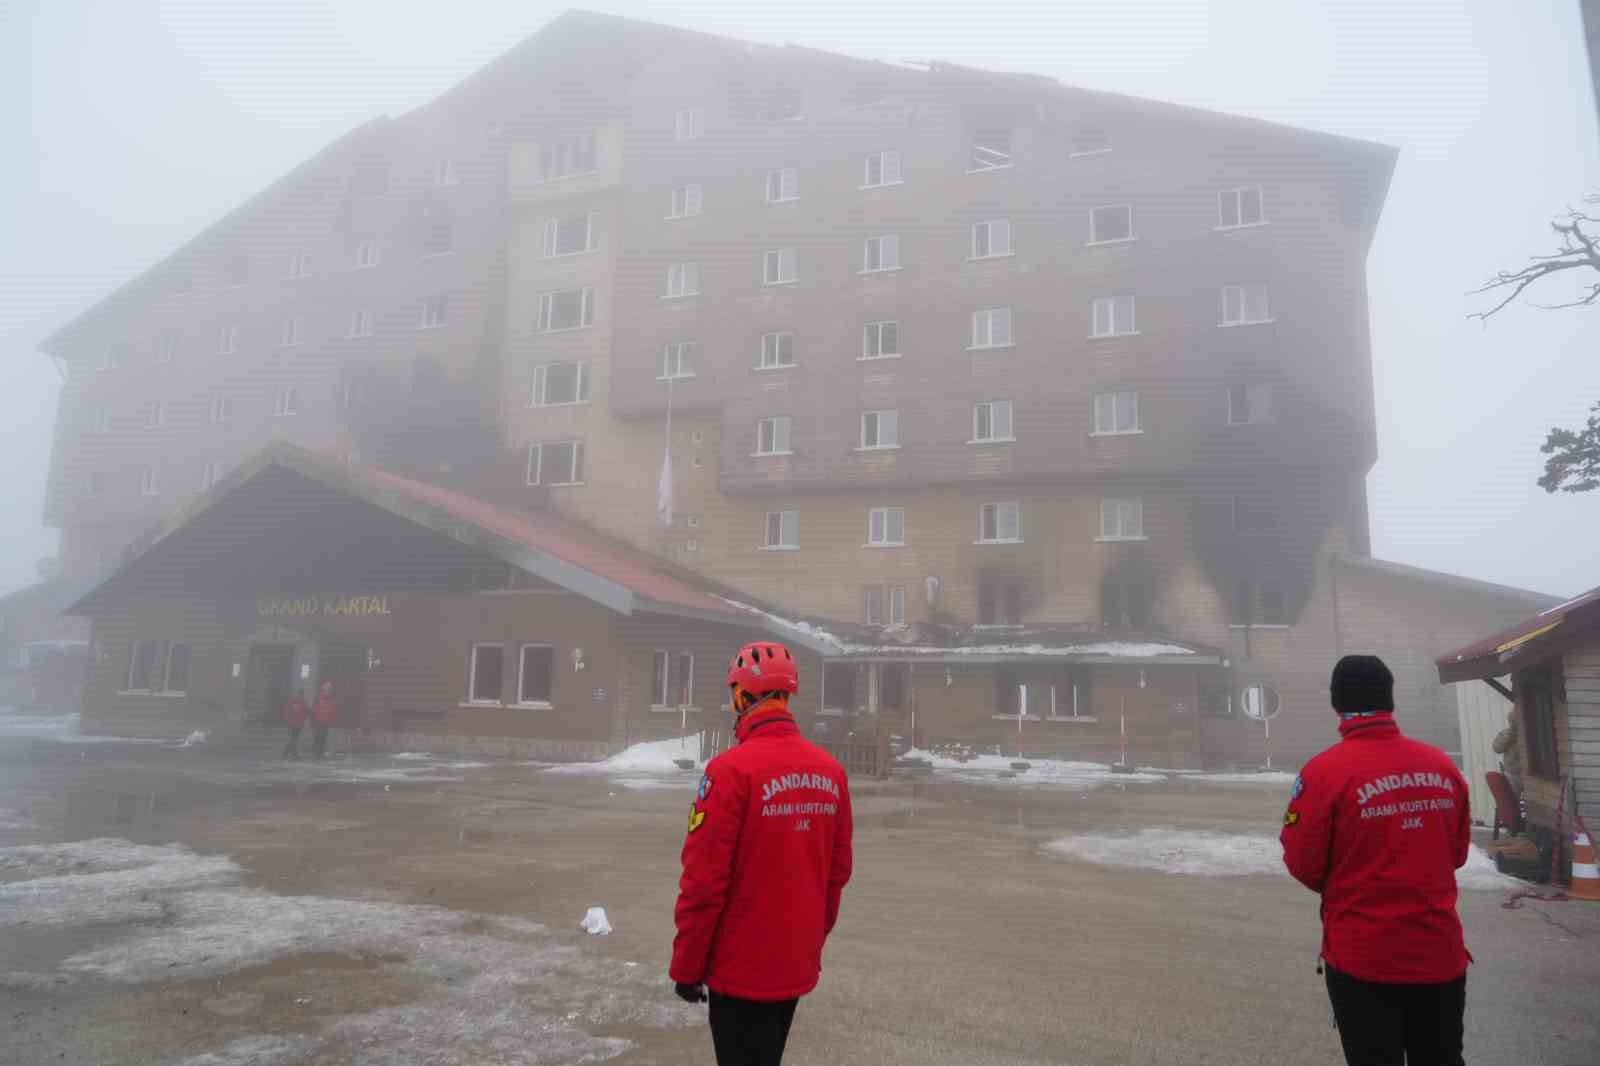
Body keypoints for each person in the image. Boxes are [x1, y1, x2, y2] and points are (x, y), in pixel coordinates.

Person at [1281, 654, 1472, 1066]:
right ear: (1390, 700)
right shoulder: (1442, 766)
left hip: (1362, 961)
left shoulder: (1323, 773)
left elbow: (1303, 862)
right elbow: (1455, 854)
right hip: (1440, 955)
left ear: (1336, 703)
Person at [670, 640, 854, 1066]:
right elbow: (837, 872)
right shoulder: (830, 772)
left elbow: (703, 883)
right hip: (793, 966)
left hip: (737, 971)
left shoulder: (729, 773)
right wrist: (808, 943)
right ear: (787, 694)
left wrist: (687, 966)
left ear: (740, 695)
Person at [1491, 706, 1524, 796]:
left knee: (1528, 803)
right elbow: (1496, 748)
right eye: (1512, 721)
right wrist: (1509, 736)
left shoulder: (1526, 733)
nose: (1513, 724)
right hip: (1511, 774)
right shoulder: (1505, 733)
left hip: (1526, 775)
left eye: (1515, 722)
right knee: (1512, 802)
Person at [310, 680, 336, 758]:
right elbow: (314, 711)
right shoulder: (318, 699)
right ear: (324, 690)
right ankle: (316, 753)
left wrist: (331, 720)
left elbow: (332, 712)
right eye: (328, 690)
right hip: (318, 722)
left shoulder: (331, 700)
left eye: (330, 690)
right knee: (318, 738)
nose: (329, 692)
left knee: (323, 739)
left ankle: (320, 753)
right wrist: (313, 722)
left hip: (326, 723)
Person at [282, 689, 310, 759]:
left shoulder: (303, 702)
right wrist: (288, 720)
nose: (300, 696)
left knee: (294, 739)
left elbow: (306, 711)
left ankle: (290, 753)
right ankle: (289, 753)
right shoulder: (293, 702)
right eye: (299, 694)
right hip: (292, 724)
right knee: (293, 739)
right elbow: (287, 712)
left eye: (301, 695)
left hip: (298, 724)